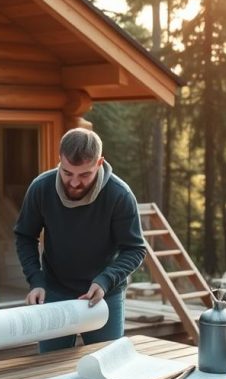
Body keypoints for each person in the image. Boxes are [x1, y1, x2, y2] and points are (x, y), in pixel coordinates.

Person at [14, 128, 147, 353]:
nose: (74, 182)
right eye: (67, 173)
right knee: (49, 366)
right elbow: (25, 236)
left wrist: (105, 280)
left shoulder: (119, 195)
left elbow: (135, 249)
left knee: (108, 362)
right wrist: (36, 280)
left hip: (104, 294)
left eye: (84, 175)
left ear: (99, 162)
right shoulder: (41, 188)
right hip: (54, 291)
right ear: (60, 160)